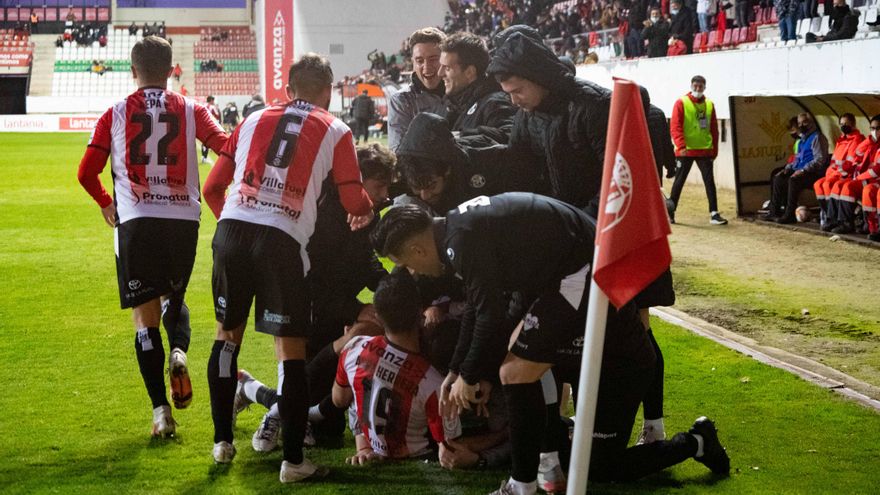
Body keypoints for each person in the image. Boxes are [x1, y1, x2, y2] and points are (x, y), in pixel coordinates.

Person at [370, 195, 730, 495]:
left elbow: (489, 314)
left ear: (417, 249)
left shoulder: (462, 241)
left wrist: (469, 373)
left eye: (406, 264)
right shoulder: (459, 231)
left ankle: (695, 441)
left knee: (594, 459)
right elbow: (484, 311)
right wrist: (458, 370)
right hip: (580, 287)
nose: (414, 273)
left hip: (616, 354)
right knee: (517, 363)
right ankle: (541, 468)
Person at [201, 53, 374, 481]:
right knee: (289, 350)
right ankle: (293, 462)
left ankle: (223, 442)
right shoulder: (336, 129)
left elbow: (212, 187)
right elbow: (354, 201)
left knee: (226, 338)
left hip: (232, 232)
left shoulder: (252, 118)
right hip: (281, 240)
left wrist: (236, 218)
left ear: (288, 89)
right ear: (328, 93)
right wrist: (365, 209)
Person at [76, 36, 228, 438]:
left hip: (137, 221)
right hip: (182, 222)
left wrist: (107, 203)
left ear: (132, 70)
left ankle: (161, 412)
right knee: (173, 300)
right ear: (171, 69)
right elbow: (227, 149)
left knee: (144, 319)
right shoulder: (195, 110)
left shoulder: (115, 112)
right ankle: (178, 351)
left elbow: (85, 173)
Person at [668, 75, 728, 225]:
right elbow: (675, 127)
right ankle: (670, 212)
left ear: (705, 87)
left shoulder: (709, 104)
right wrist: (681, 146)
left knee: (709, 182)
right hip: (685, 151)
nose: (698, 88)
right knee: (679, 182)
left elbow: (714, 129)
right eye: (695, 85)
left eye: (701, 86)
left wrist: (714, 150)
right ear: (691, 85)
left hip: (704, 150)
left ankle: (714, 213)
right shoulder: (681, 102)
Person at [439, 32, 516, 146]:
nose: (440, 73)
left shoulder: (494, 103)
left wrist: (460, 137)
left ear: (470, 72)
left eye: (447, 68)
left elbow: (509, 137)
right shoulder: (452, 105)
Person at [388, 27, 447, 151]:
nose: (426, 67)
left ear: (445, 59)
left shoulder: (460, 92)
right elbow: (398, 152)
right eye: (419, 61)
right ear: (412, 63)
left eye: (433, 59)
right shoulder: (401, 100)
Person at [767, 113, 830, 223]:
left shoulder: (817, 137)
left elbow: (820, 160)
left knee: (793, 180)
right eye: (799, 123)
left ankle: (790, 214)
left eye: (804, 122)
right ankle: (774, 212)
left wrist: (803, 170)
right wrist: (787, 168)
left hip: (814, 173)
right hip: (801, 171)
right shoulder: (802, 140)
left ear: (811, 123)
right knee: (779, 178)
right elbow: (797, 159)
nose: (801, 125)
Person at [826, 116, 880, 234]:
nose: (874, 131)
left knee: (861, 189)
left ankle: (870, 226)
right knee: (845, 186)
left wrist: (858, 177)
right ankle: (842, 222)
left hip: (874, 180)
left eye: (878, 128)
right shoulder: (871, 143)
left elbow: (876, 170)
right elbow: (858, 153)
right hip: (867, 178)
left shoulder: (860, 139)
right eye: (872, 128)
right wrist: (869, 140)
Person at [811, 113, 863, 231]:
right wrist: (831, 173)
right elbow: (834, 161)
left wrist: (837, 171)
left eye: (846, 124)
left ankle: (838, 220)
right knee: (818, 184)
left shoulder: (857, 140)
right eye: (841, 124)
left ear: (853, 124)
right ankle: (829, 217)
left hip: (846, 175)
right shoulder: (841, 140)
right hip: (835, 173)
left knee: (830, 185)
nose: (843, 126)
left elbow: (849, 165)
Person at [201, 96, 221, 164]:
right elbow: (217, 115)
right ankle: (205, 157)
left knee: (203, 141)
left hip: (203, 125)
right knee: (209, 141)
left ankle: (203, 156)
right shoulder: (212, 107)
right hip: (210, 126)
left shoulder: (202, 105)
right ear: (211, 100)